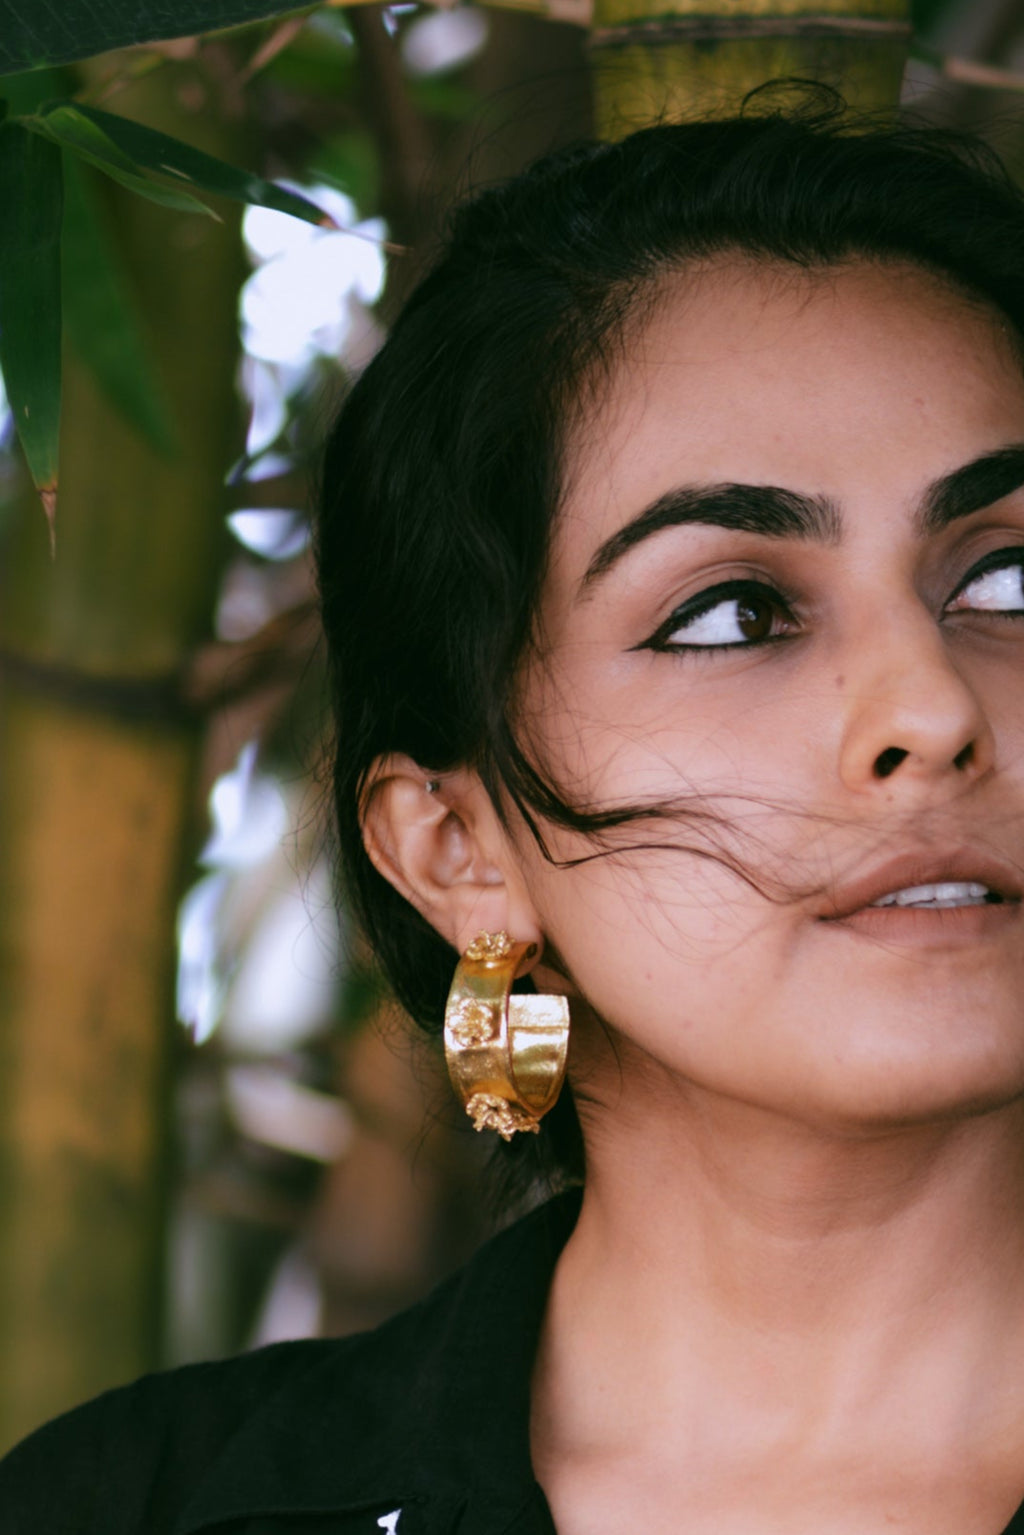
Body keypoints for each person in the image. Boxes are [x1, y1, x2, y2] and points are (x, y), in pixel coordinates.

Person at [4, 92, 1024, 1535]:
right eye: (733, 612)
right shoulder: (133, 1509)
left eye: (1006, 582)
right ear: (458, 849)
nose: (932, 709)